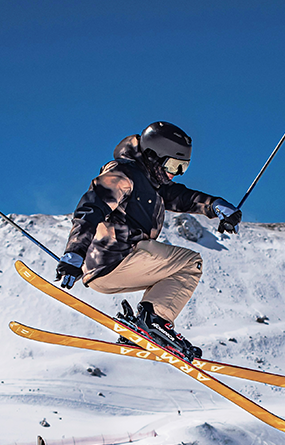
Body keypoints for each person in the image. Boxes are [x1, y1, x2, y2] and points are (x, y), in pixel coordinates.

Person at [55, 121, 242, 360]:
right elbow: (91, 209)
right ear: (154, 156)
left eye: (183, 167)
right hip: (115, 257)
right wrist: (74, 253)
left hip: (104, 273)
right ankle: (154, 321)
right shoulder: (123, 175)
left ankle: (141, 328)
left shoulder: (152, 183)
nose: (176, 173)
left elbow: (182, 197)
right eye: (173, 165)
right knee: (189, 264)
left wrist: (216, 205)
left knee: (170, 272)